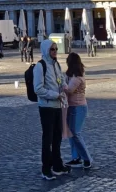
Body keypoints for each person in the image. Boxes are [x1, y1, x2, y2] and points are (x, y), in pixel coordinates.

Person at [33, 39, 70, 180]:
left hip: (57, 105)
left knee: (57, 137)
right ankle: (46, 168)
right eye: (52, 49)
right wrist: (55, 95)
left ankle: (57, 165)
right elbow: (38, 89)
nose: (55, 52)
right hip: (46, 106)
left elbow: (60, 79)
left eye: (56, 49)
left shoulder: (56, 64)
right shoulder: (40, 66)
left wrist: (64, 86)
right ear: (46, 50)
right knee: (47, 139)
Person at [63, 52, 92, 170]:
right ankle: (76, 157)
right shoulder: (73, 75)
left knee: (76, 133)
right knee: (71, 133)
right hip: (72, 106)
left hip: (78, 107)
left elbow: (69, 90)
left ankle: (87, 158)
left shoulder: (77, 77)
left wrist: (62, 85)